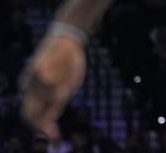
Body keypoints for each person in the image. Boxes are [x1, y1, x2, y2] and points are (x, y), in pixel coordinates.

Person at [20, 0, 115, 139]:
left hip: (66, 31)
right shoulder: (56, 92)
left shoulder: (43, 79)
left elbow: (30, 105)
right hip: (71, 36)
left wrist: (44, 121)